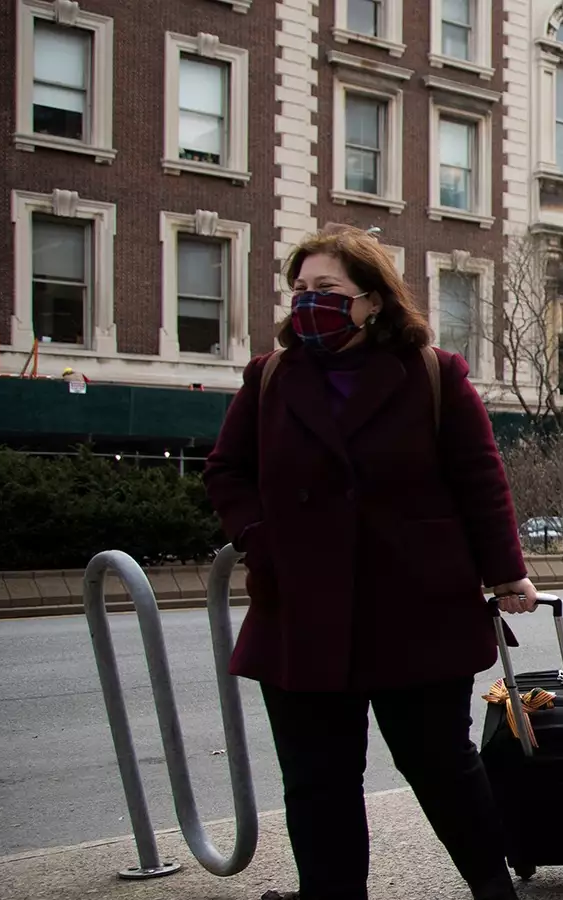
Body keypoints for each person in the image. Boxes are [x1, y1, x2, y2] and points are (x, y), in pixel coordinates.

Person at [204, 225, 537, 900]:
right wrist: (261, 537)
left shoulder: (435, 375)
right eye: (300, 289)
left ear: (373, 299)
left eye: (326, 289)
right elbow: (226, 471)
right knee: (318, 780)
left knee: (440, 764)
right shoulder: (268, 378)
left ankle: (492, 887)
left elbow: (480, 478)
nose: (308, 303)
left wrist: (507, 573)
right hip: (300, 608)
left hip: (416, 607)